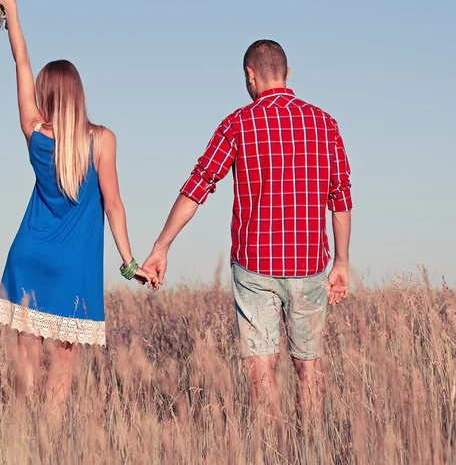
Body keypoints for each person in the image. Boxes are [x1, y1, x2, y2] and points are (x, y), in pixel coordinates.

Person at [142, 40, 352, 420]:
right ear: (288, 74)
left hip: (255, 267)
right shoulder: (325, 124)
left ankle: (269, 453)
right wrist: (341, 261)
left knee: (262, 373)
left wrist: (161, 247)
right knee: (309, 368)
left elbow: (199, 185)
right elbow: (339, 198)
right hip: (309, 267)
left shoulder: (238, 123)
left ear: (249, 76)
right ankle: (312, 452)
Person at [0, 0, 155, 404]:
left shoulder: (33, 132)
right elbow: (114, 204)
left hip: (28, 255)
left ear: (45, 94)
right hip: (72, 267)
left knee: (27, 357)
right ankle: (48, 441)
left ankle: (23, 437)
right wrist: (129, 262)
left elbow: (20, 61)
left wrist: (12, 9)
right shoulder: (102, 140)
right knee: (62, 365)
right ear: (79, 94)